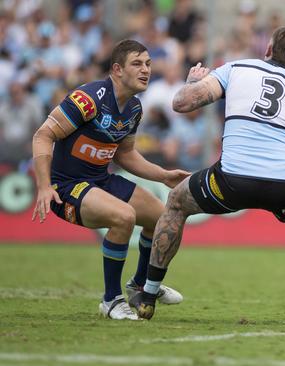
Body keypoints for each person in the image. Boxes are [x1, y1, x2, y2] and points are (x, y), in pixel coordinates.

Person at [130, 27, 285, 327]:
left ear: (268, 50)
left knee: (175, 203)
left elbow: (181, 104)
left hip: (230, 181)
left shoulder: (237, 68)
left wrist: (193, 82)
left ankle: (148, 296)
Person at [31, 40, 188, 320]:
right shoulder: (88, 99)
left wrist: (163, 176)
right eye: (137, 64)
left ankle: (140, 286)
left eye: (149, 64)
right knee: (124, 216)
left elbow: (125, 154)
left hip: (100, 180)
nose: (146, 70)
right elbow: (43, 135)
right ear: (117, 69)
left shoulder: (134, 108)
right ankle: (111, 300)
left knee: (163, 218)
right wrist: (43, 186)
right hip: (66, 187)